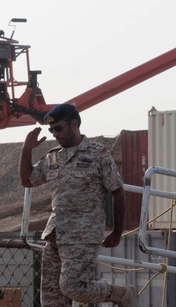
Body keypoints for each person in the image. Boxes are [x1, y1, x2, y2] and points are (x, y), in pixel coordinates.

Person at [19, 104, 138, 307]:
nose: (55, 134)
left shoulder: (98, 154)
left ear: (74, 124)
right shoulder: (53, 156)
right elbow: (28, 180)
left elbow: (117, 191)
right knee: (50, 297)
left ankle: (120, 294)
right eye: (52, 130)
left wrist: (117, 231)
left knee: (73, 287)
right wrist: (26, 149)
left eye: (59, 128)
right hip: (55, 233)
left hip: (83, 233)